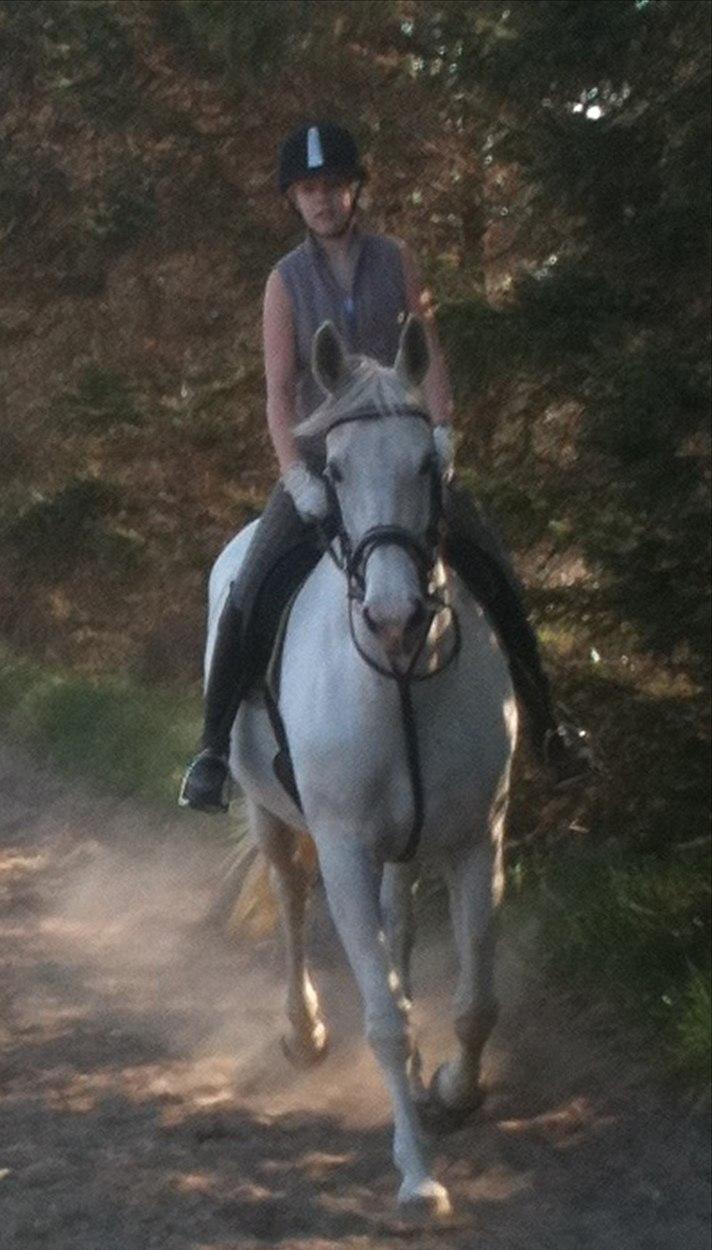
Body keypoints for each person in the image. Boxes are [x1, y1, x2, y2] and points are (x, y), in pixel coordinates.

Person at [179, 121, 592, 813]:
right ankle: (215, 751)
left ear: (355, 190)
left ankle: (548, 728)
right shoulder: (284, 283)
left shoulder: (396, 258)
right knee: (249, 590)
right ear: (294, 200)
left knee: (494, 567)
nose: (324, 200)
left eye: (334, 186)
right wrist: (294, 477)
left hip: (403, 459)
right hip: (322, 463)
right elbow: (280, 393)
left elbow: (427, 350)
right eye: (310, 189)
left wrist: (442, 433)